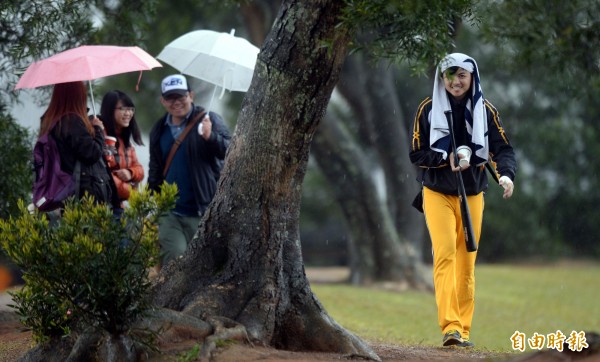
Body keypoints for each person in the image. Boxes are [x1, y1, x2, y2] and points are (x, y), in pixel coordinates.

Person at [409, 53, 516, 348]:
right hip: (436, 193)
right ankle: (451, 328)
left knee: (466, 265)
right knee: (444, 256)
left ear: (472, 78)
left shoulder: (486, 110)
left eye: (462, 76)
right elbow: (417, 154)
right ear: (441, 77)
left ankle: (464, 331)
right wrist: (446, 157)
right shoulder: (428, 109)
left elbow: (502, 149)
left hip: (472, 195)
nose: (455, 82)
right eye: (449, 75)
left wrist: (506, 175)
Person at [148, 74, 231, 267]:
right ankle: (170, 298)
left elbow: (230, 150)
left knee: (201, 267)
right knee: (173, 263)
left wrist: (210, 137)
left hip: (202, 211)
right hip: (170, 212)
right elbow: (155, 168)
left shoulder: (209, 120)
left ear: (191, 95)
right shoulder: (159, 129)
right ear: (163, 101)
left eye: (181, 96)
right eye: (170, 98)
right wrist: (153, 200)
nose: (176, 102)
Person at [39, 81, 117, 211]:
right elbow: (91, 153)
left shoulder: (49, 119)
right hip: (80, 192)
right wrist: (98, 130)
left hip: (59, 188)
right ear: (77, 96)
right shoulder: (72, 120)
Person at [99, 90, 145, 216]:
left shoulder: (124, 139)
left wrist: (130, 173)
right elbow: (104, 176)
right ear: (109, 110)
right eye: (123, 109)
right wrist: (132, 193)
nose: (128, 113)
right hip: (101, 208)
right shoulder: (99, 136)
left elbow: (140, 169)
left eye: (131, 109)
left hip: (118, 206)